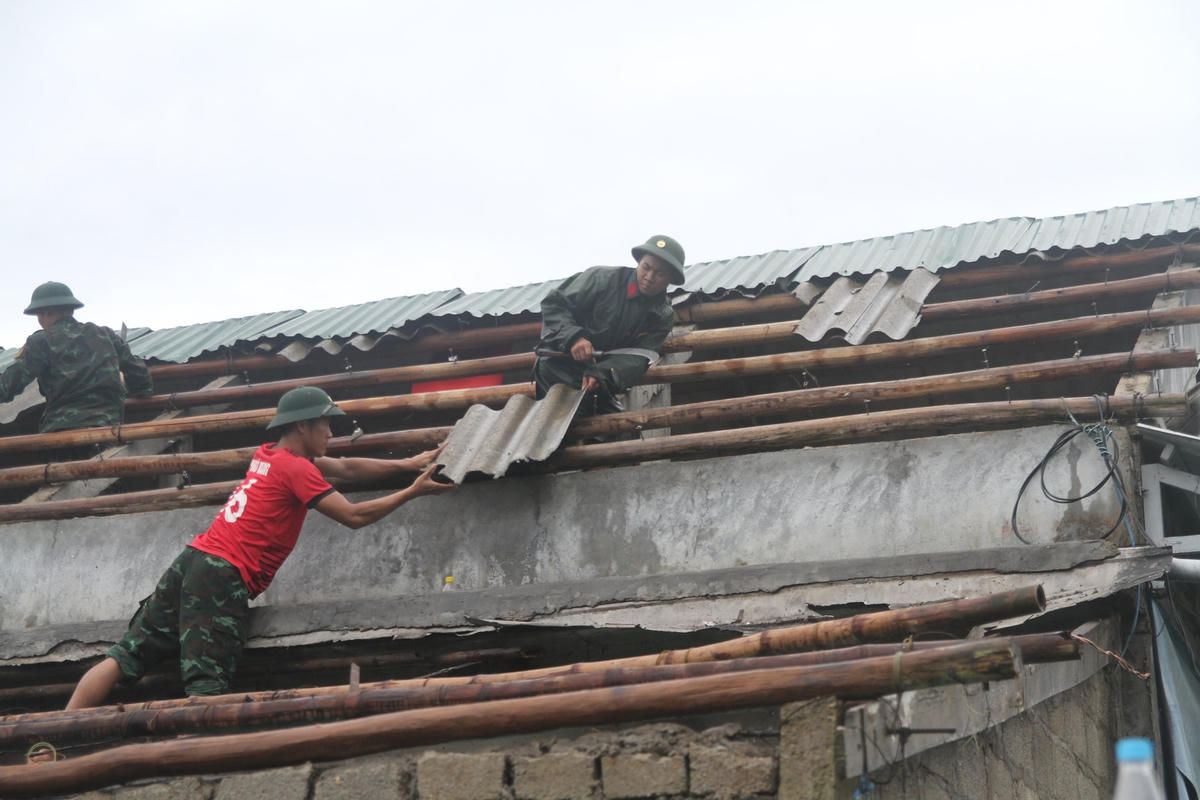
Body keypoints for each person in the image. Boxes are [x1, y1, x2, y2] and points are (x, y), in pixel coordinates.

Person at [64, 386, 456, 709]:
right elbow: (352, 516)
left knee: (124, 656)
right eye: (326, 425)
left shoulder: (270, 455)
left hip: (192, 560)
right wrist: (412, 492)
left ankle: (52, 738)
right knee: (207, 687)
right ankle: (192, 771)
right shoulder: (297, 469)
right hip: (221, 575)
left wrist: (407, 465)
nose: (331, 434)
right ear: (303, 425)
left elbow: (348, 467)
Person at [534, 235, 685, 416]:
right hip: (558, 369)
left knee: (621, 431)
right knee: (568, 426)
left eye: (659, 273)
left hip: (597, 382)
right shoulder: (601, 279)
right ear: (639, 263)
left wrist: (604, 373)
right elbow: (553, 303)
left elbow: (639, 357)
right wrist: (574, 337)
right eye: (646, 267)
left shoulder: (663, 315)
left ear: (671, 279)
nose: (649, 277)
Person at [0, 281, 153, 434]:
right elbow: (140, 377)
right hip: (109, 430)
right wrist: (140, 398)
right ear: (71, 310)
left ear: (43, 313)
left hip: (62, 433)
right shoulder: (106, 335)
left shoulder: (40, 342)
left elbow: (8, 386)